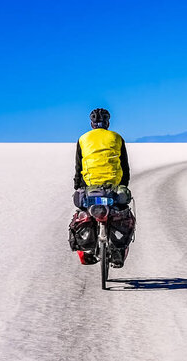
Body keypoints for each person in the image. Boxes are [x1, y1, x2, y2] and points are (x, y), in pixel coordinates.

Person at [70, 108, 134, 267]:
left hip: (90, 186)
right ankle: (118, 251)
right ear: (107, 123)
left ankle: (86, 251)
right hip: (113, 186)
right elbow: (124, 166)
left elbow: (79, 167)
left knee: (84, 212)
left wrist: (78, 186)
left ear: (92, 123)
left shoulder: (83, 139)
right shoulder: (116, 137)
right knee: (121, 210)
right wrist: (123, 184)